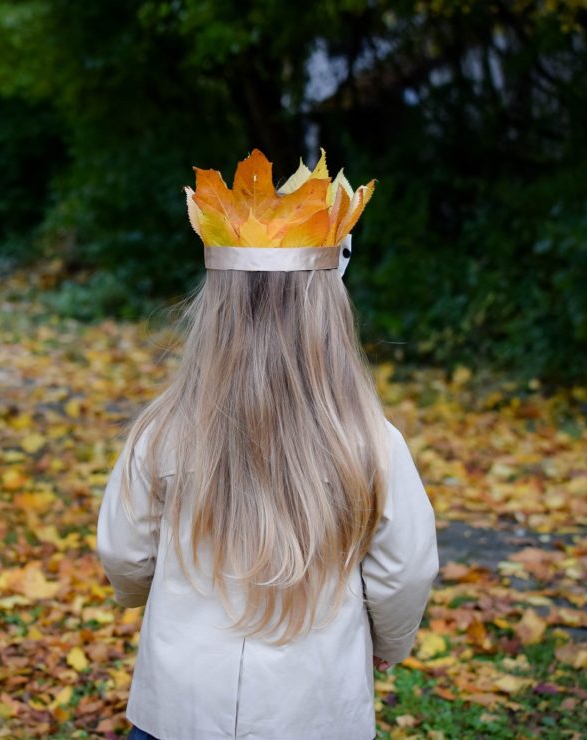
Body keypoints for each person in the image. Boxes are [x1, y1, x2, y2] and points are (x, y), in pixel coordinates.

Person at [96, 149, 439, 740]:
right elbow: (406, 570)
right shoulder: (373, 443)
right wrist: (390, 640)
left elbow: (125, 552)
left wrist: (145, 598)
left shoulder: (164, 432)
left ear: (214, 316)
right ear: (331, 315)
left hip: (180, 709)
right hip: (315, 710)